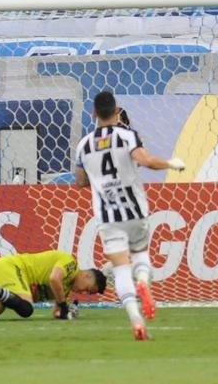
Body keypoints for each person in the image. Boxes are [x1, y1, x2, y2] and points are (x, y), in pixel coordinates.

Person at [74, 90, 185, 340]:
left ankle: (136, 320)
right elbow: (146, 161)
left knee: (121, 269)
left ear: (94, 114)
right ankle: (144, 282)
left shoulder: (84, 145)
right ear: (117, 112)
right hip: (134, 210)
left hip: (107, 216)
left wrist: (100, 180)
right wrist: (171, 163)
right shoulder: (127, 136)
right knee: (141, 255)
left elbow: (80, 181)